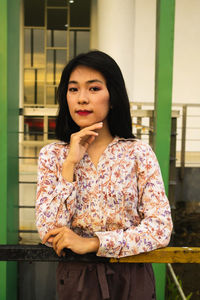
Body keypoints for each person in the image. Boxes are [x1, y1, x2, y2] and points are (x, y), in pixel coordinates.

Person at [36, 50, 173, 300]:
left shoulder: (138, 153)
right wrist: (70, 165)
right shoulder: (52, 156)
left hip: (132, 274)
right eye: (73, 89)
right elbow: (48, 231)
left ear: (114, 98)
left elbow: (160, 227)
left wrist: (96, 243)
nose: (82, 99)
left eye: (94, 88)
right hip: (77, 278)